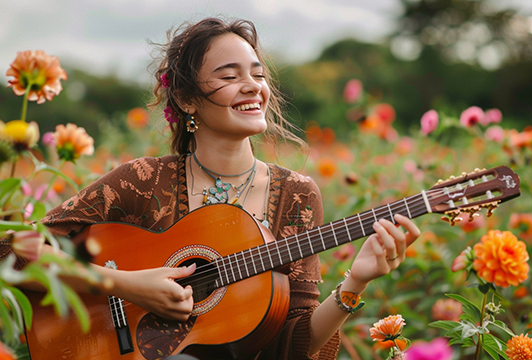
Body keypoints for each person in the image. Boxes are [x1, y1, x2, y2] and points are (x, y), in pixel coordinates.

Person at [21, 17, 420, 360]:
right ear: (186, 98)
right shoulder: (141, 181)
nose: (252, 87)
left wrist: (355, 283)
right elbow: (15, 250)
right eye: (230, 77)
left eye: (258, 74)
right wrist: (126, 285)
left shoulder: (296, 194)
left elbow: (292, 345)